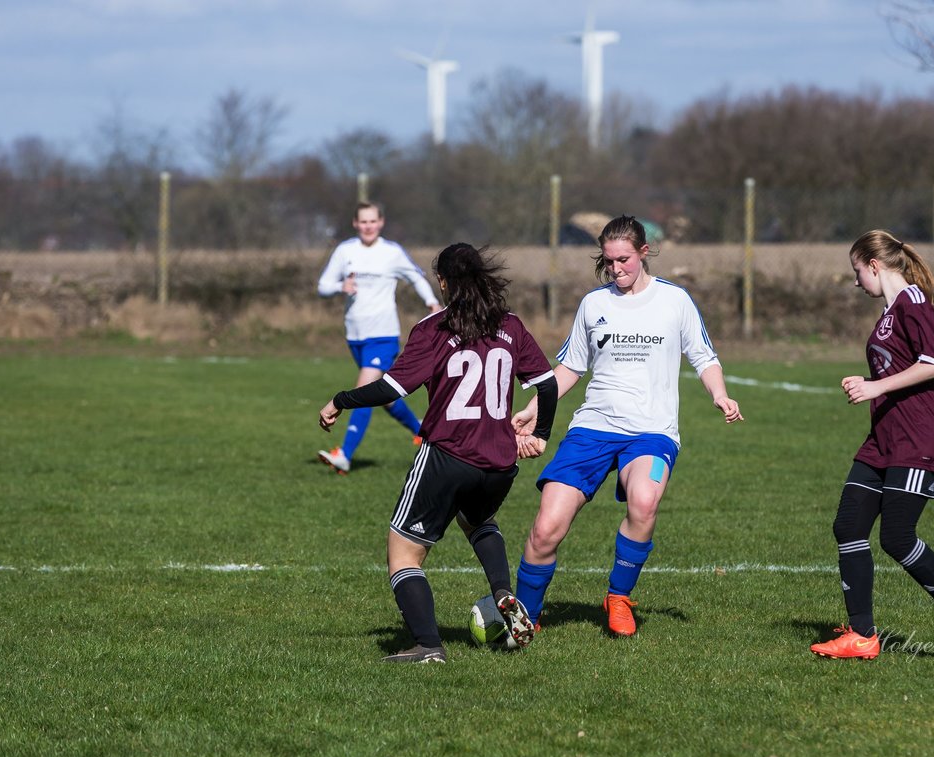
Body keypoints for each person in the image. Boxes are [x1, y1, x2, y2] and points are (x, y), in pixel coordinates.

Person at [319, 243, 558, 664]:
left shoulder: (434, 327)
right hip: (499, 463)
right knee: (478, 518)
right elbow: (548, 384)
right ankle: (503, 592)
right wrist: (539, 433)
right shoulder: (511, 325)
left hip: (448, 455)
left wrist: (340, 399)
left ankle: (428, 646)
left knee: (403, 554)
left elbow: (392, 388)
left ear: (444, 282)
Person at [510, 215, 743, 638]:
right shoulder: (593, 304)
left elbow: (704, 357)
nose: (616, 270)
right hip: (593, 428)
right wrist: (533, 409)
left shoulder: (675, 301)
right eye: (609, 261)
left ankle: (618, 597)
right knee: (546, 528)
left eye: (624, 260)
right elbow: (570, 368)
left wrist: (719, 394)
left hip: (652, 431)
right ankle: (526, 616)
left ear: (644, 253)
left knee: (644, 503)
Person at [811, 229, 934, 664]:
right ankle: (863, 635)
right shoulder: (890, 312)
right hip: (884, 439)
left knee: (896, 536)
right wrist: (868, 385)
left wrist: (874, 387)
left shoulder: (915, 302)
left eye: (857, 272)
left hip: (920, 439)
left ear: (874, 265)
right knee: (848, 525)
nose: (855, 283)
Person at [316, 201, 442, 474]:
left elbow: (416, 277)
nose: (368, 226)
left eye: (373, 221)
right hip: (355, 335)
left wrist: (432, 303)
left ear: (381, 223)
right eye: (363, 221)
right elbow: (323, 286)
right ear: (355, 223)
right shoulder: (345, 251)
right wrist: (341, 286)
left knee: (363, 390)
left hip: (383, 334)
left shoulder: (391, 252)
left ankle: (344, 454)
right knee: (384, 397)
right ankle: (421, 431)